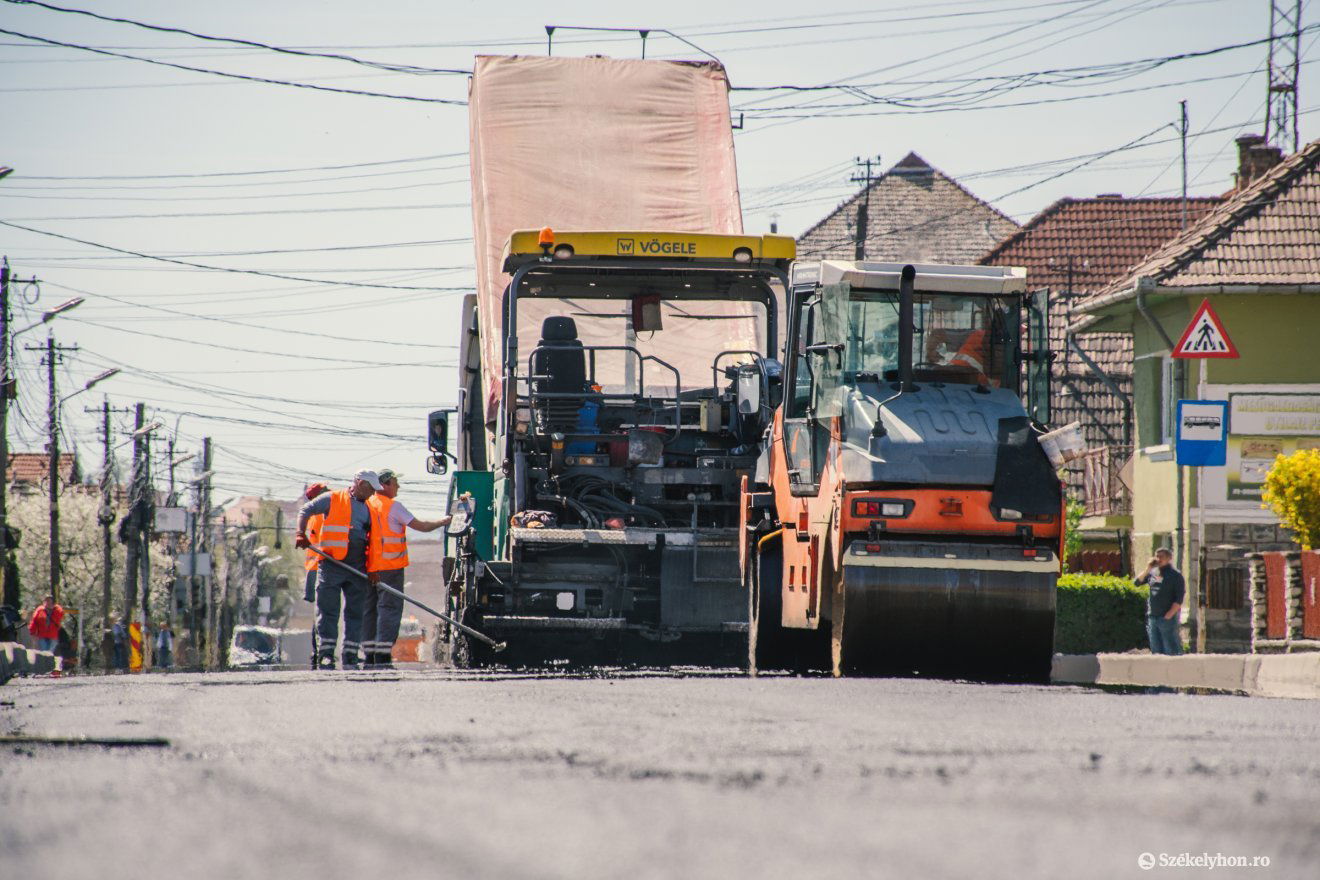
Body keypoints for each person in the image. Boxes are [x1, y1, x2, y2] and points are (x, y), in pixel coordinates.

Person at [362, 469, 452, 668]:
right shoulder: (393, 507)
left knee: (369, 610)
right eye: (395, 483)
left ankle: (369, 653)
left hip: (367, 568)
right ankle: (383, 654)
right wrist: (444, 521)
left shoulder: (367, 504)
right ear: (384, 485)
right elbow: (421, 526)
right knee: (389, 609)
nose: (398, 487)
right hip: (389, 568)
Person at [296, 470, 379, 669]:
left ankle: (350, 653)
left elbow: (374, 541)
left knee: (355, 612)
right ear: (359, 483)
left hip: (357, 566)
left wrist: (373, 569)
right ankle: (326, 653)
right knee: (327, 611)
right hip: (331, 565)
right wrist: (300, 533)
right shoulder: (332, 499)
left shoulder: (370, 508)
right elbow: (305, 510)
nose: (372, 493)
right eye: (370, 488)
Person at [1136, 547, 1185, 656]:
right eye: (1156, 556)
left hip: (1167, 617)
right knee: (1156, 649)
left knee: (1170, 648)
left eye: (1161, 556)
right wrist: (1148, 569)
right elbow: (1137, 582)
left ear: (1169, 558)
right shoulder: (1153, 573)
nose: (1158, 559)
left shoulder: (1175, 575)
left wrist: (1169, 614)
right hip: (1153, 616)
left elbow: (1179, 598)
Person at [301, 482, 330, 604]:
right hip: (324, 559)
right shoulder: (321, 515)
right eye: (326, 490)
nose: (330, 491)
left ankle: (309, 594)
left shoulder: (315, 515)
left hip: (318, 561)